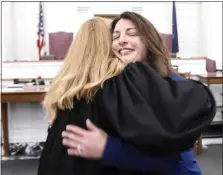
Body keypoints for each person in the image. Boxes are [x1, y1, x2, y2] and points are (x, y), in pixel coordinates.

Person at [38, 15, 215, 175]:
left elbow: (176, 162)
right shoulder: (111, 88)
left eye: (131, 33)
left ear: (149, 41)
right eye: (115, 37)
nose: (122, 40)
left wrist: (108, 149)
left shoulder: (172, 87)